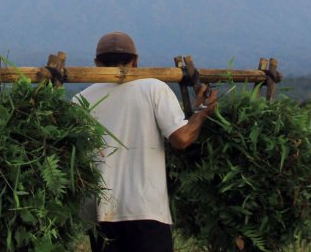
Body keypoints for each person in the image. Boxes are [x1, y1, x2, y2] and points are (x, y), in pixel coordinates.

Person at [76, 31, 217, 252]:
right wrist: (202, 112)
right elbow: (181, 138)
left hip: (99, 213)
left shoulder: (80, 99)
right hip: (145, 210)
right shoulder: (154, 88)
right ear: (136, 60)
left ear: (96, 63)